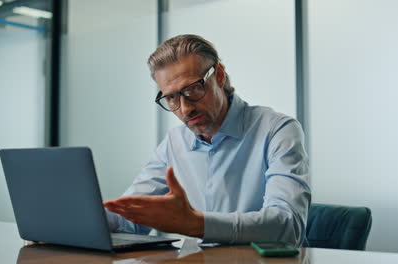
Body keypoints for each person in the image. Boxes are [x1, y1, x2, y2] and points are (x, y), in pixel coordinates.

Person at [103, 34, 311, 246]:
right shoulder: (174, 142)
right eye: (172, 97)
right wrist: (87, 218)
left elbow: (288, 226)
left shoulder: (276, 130)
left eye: (193, 88)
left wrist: (197, 224)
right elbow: (130, 220)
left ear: (219, 75)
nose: (185, 108)